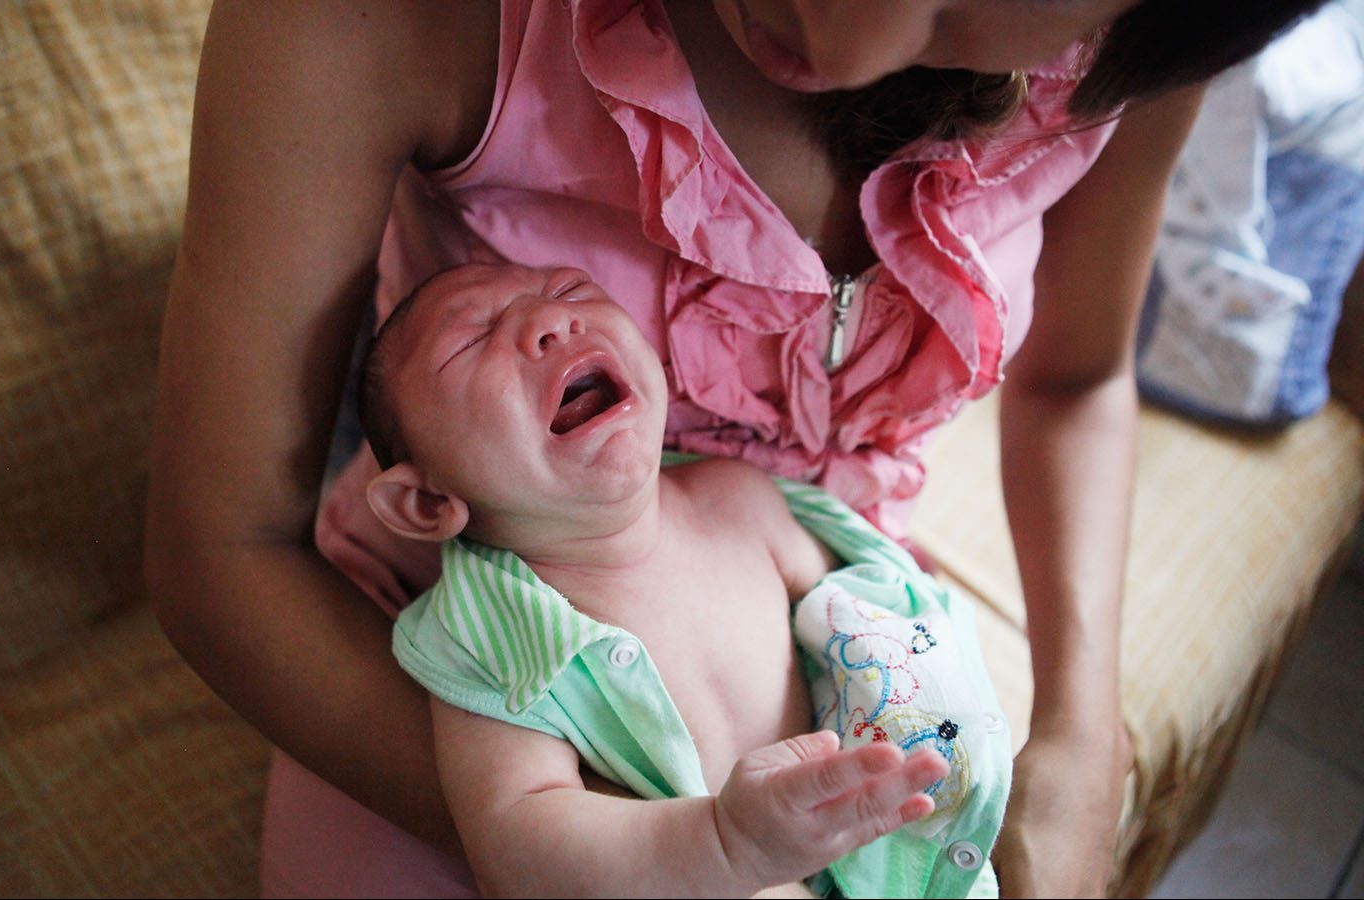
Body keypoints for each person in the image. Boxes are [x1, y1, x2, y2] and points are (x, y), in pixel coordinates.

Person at [143, 1, 1327, 896]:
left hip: (785, 688)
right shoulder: (403, 25)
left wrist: (1081, 729)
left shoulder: (1130, 56)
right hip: (458, 702)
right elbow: (222, 553)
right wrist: (670, 850)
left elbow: (1073, 376)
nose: (845, 38)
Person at [358, 260, 1014, 898]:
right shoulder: (490, 637)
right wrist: (727, 846)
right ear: (426, 504)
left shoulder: (742, 502)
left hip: (902, 852)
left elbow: (883, 618)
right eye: (471, 340)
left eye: (571, 288)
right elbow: (518, 848)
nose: (552, 318)